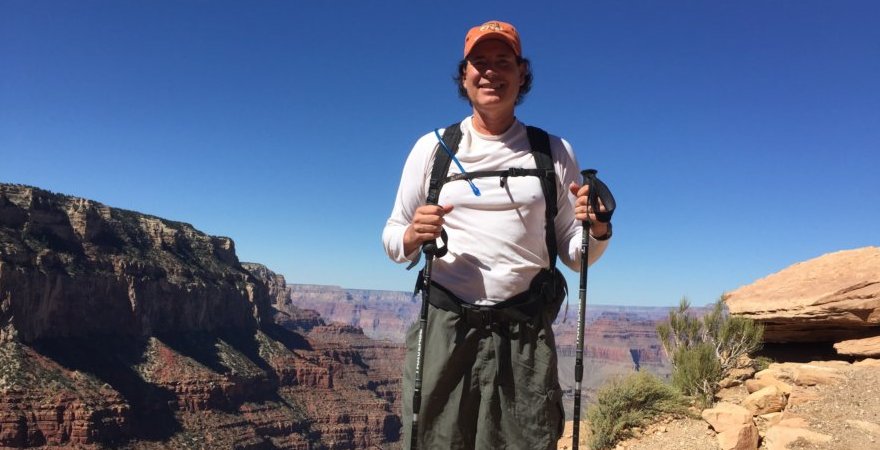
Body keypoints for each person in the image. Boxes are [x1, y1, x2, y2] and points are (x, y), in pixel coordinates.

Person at [382, 20, 612, 450]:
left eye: (502, 62)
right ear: (464, 75)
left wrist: (597, 228)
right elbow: (393, 238)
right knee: (436, 440)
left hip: (523, 332)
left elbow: (575, 254)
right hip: (446, 328)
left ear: (521, 73)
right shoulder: (431, 148)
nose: (490, 72)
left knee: (525, 440)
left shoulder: (553, 152)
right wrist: (413, 234)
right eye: (479, 63)